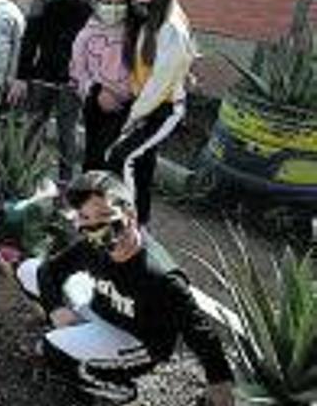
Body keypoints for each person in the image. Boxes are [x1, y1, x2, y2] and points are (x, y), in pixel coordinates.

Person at [17, 171, 234, 406]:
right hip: (100, 309)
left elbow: (199, 331)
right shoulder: (94, 244)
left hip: (136, 342)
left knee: (52, 350)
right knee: (28, 269)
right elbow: (49, 271)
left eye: (105, 215)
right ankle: (73, 338)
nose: (95, 227)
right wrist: (55, 309)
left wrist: (219, 381)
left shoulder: (161, 277)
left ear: (130, 214)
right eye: (85, 218)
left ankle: (118, 391)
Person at [7, 0, 101, 185]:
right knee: (33, 129)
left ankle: (65, 187)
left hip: (74, 80)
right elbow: (31, 37)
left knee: (66, 135)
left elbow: (99, 44)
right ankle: (22, 180)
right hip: (43, 75)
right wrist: (21, 76)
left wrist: (91, 78)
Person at [106, 0, 194, 228]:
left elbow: (159, 84)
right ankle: (141, 222)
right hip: (145, 104)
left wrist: (133, 117)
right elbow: (140, 73)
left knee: (122, 157)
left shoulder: (172, 30)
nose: (138, 3)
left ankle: (127, 222)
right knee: (143, 165)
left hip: (164, 108)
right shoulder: (147, 25)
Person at [69, 0, 132, 172]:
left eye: (120, 3)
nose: (113, 9)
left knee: (113, 158)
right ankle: (87, 198)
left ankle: (108, 199)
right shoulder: (87, 34)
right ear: (97, 2)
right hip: (95, 102)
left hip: (127, 104)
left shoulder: (134, 34)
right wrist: (95, 92)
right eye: (108, 2)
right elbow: (78, 71)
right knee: (93, 153)